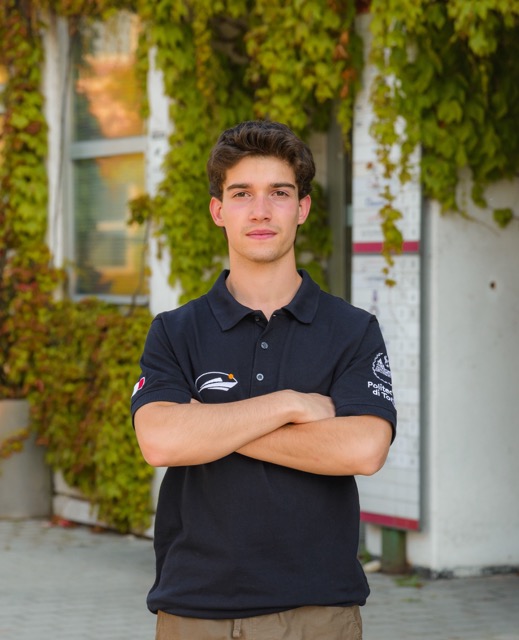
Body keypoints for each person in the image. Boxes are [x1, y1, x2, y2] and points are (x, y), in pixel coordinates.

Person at [131, 120, 396, 640]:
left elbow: (364, 449)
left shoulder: (352, 330)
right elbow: (160, 441)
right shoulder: (175, 330)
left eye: (278, 192)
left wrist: (207, 425)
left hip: (317, 610)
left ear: (302, 208)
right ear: (218, 211)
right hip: (194, 608)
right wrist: (288, 405)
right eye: (241, 194)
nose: (260, 211)